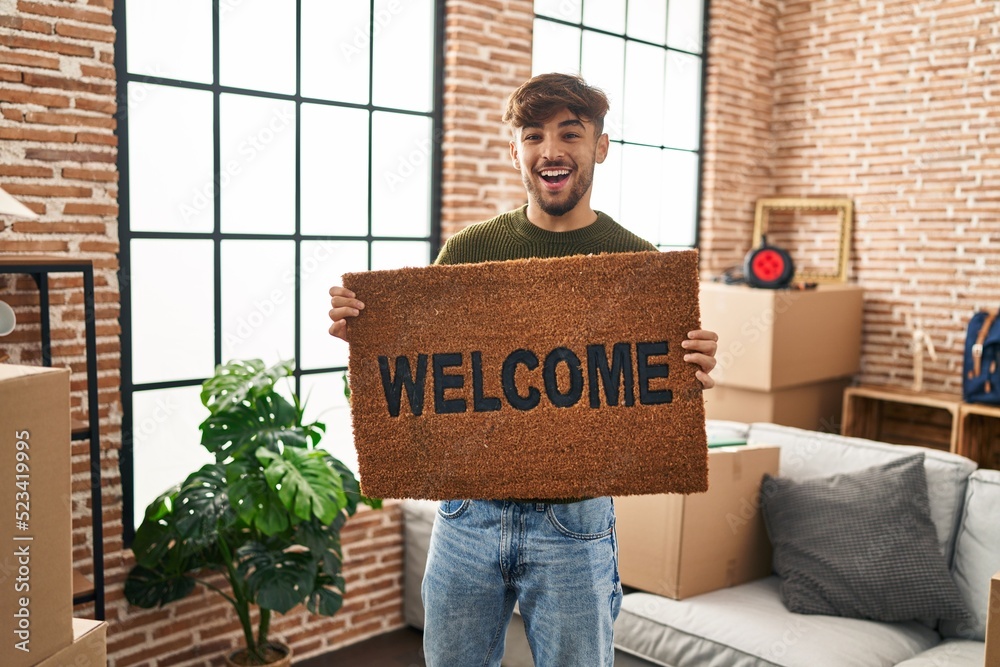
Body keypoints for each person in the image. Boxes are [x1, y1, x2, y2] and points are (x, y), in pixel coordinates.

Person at [329, 73, 718, 667]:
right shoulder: (467, 253)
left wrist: (687, 372)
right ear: (516, 151)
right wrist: (366, 342)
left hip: (575, 521)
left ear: (601, 147)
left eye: (571, 133)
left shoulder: (639, 267)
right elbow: (423, 383)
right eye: (534, 135)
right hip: (467, 515)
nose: (552, 150)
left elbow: (643, 399)